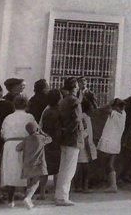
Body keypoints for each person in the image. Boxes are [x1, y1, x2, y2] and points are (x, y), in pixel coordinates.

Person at [0, 95, 36, 207]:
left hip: (9, 145)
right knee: (26, 170)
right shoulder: (29, 116)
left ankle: (10, 200)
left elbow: (2, 133)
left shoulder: (8, 117)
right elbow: (35, 131)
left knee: (11, 171)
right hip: (24, 144)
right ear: (26, 105)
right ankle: (27, 197)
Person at [54, 77, 83, 206]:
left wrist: (63, 131)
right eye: (77, 86)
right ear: (74, 87)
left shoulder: (62, 101)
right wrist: (69, 131)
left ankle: (59, 195)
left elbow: (59, 119)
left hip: (63, 138)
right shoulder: (75, 101)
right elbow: (77, 120)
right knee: (69, 169)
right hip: (73, 137)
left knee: (63, 168)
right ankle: (63, 197)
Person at [15, 121, 52, 210]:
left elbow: (17, 148)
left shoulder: (26, 139)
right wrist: (42, 132)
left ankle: (28, 199)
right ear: (36, 128)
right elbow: (50, 139)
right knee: (36, 182)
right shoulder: (41, 138)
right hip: (38, 164)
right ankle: (28, 198)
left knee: (29, 183)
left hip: (27, 165)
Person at [38, 89, 63, 200]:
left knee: (45, 169)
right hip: (58, 142)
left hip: (46, 142)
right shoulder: (60, 111)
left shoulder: (46, 111)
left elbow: (41, 126)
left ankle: (42, 193)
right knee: (58, 169)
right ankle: (56, 193)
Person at [97, 98, 126, 192]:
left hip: (109, 142)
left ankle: (113, 185)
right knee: (109, 164)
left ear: (117, 107)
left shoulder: (115, 114)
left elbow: (102, 109)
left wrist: (110, 103)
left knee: (108, 164)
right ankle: (112, 185)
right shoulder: (123, 114)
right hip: (115, 142)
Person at [73, 100, 97, 193]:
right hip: (84, 145)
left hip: (83, 144)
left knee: (80, 167)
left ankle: (78, 186)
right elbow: (85, 135)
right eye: (91, 107)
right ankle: (84, 187)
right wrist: (89, 150)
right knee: (84, 168)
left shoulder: (85, 117)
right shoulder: (84, 118)